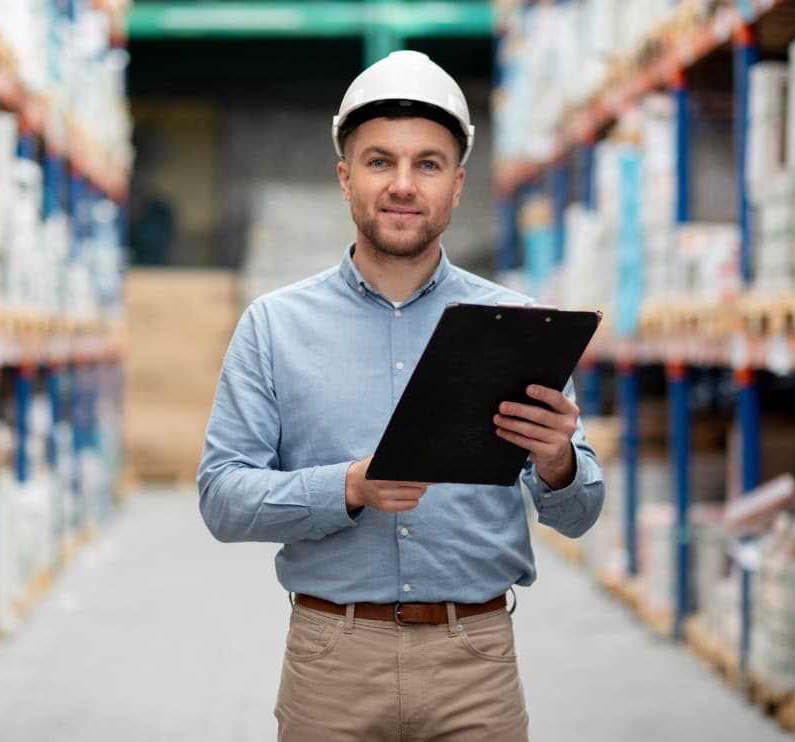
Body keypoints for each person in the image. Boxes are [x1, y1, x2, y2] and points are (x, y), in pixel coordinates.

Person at [198, 50, 605, 742]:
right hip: (332, 660)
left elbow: (580, 513)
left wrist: (560, 462)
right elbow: (222, 499)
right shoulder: (275, 325)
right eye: (380, 161)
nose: (403, 185)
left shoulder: (519, 328)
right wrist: (348, 487)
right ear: (345, 177)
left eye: (428, 163)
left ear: (457, 184)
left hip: (474, 661)